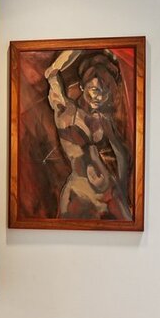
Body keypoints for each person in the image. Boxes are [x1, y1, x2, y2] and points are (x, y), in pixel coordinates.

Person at [44, 49, 132, 220]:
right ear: (82, 86)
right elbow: (51, 73)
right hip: (79, 193)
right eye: (94, 89)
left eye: (105, 91)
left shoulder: (103, 120)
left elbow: (121, 154)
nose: (99, 96)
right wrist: (78, 47)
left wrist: (120, 187)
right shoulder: (66, 112)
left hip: (108, 193)